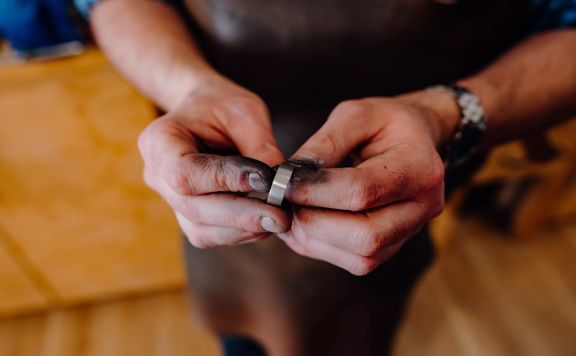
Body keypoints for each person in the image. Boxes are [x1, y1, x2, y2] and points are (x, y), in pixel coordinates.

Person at [82, 0, 576, 355]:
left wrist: (447, 113)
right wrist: (187, 88)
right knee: (242, 328)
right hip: (220, 172)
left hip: (407, 172)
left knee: (360, 321)